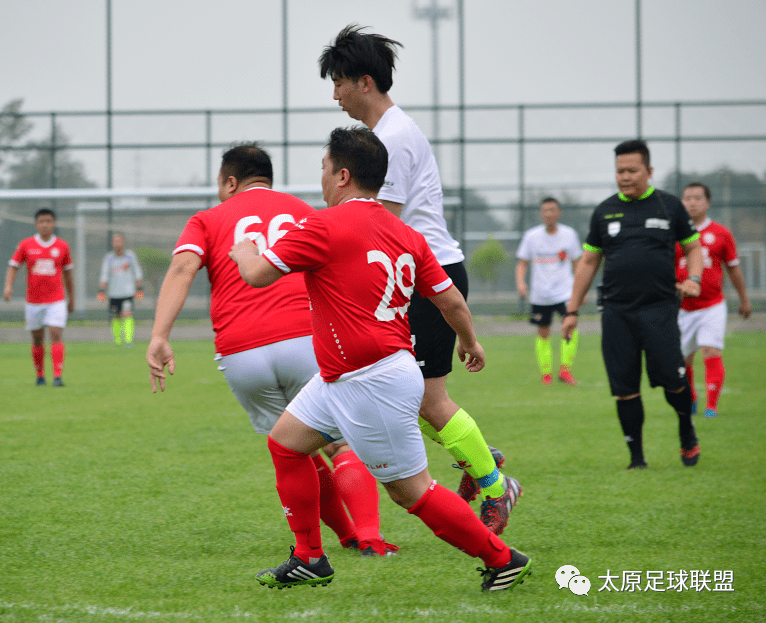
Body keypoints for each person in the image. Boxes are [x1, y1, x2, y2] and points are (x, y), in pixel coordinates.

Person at [231, 127, 531, 592]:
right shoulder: (404, 231)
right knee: (286, 444)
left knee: (413, 494)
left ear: (344, 175)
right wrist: (469, 341)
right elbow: (450, 301)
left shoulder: (324, 225)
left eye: (325, 170)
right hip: (348, 377)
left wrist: (244, 248)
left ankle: (502, 559)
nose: (323, 181)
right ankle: (310, 556)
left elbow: (255, 275)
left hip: (370, 381)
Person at [147, 142, 396, 556]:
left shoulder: (207, 219)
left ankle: (344, 537)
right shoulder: (303, 210)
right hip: (305, 340)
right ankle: (369, 535)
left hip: (240, 352)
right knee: (340, 444)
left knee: (291, 448)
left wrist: (159, 336)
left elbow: (182, 267)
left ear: (230, 182)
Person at [319, 24, 520, 535]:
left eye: (340, 81)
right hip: (407, 277)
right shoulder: (379, 137)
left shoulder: (393, 138)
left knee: (425, 399)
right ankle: (476, 455)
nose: (335, 93)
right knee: (406, 397)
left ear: (365, 82)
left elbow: (374, 221)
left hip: (428, 278)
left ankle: (497, 485)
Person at [562, 140, 703, 470]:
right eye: (619, 171)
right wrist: (571, 310)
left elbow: (693, 248)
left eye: (631, 170)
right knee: (624, 387)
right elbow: (588, 262)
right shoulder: (605, 210)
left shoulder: (669, 207)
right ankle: (636, 459)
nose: (624, 177)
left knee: (673, 379)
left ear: (649, 171)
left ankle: (686, 427)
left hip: (660, 308)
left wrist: (694, 277)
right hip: (616, 311)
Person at [676, 182, 752, 418]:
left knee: (710, 350)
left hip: (711, 306)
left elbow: (733, 269)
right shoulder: (674, 234)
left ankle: (711, 407)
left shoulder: (721, 234)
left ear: (707, 202)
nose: (692, 202)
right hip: (681, 309)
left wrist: (744, 299)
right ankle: (692, 399)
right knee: (683, 359)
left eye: (697, 198)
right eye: (687, 198)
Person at [3, 208, 74, 387]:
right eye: (41, 221)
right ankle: (40, 375)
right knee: (37, 338)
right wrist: (8, 286)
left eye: (48, 221)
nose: (45, 224)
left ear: (54, 223)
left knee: (56, 333)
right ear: (36, 224)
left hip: (56, 300)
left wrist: (71, 298)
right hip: (33, 301)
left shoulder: (62, 246)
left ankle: (57, 376)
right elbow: (13, 266)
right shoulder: (26, 245)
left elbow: (68, 275)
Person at [515, 197, 582, 385]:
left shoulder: (569, 235)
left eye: (552, 210)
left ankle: (565, 370)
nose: (549, 213)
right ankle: (546, 374)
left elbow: (578, 264)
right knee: (543, 332)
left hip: (565, 292)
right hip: (540, 293)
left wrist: (580, 291)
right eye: (545, 210)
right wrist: (521, 282)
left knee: (570, 327)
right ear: (541, 213)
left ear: (559, 212)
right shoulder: (531, 236)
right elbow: (522, 263)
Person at [98, 233, 144, 347]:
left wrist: (139, 289)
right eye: (115, 241)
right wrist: (101, 291)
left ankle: (128, 341)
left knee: (127, 314)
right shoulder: (109, 258)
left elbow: (137, 273)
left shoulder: (130, 256)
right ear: (112, 243)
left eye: (119, 240)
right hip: (114, 293)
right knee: (116, 316)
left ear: (123, 242)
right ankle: (117, 341)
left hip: (128, 292)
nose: (117, 243)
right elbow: (104, 275)